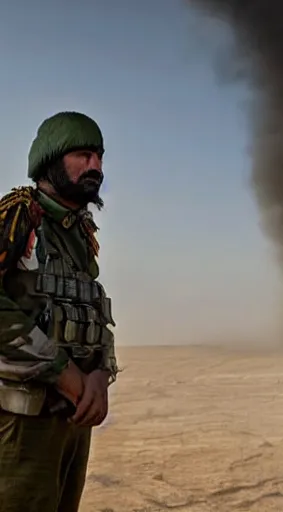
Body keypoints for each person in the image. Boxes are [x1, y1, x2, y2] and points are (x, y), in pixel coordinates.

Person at [0, 111, 119, 512]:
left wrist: (102, 375)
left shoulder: (80, 234)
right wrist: (61, 372)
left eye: (100, 157)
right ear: (51, 158)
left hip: (73, 421)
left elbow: (94, 310)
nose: (96, 167)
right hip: (23, 423)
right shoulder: (18, 216)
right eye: (84, 155)